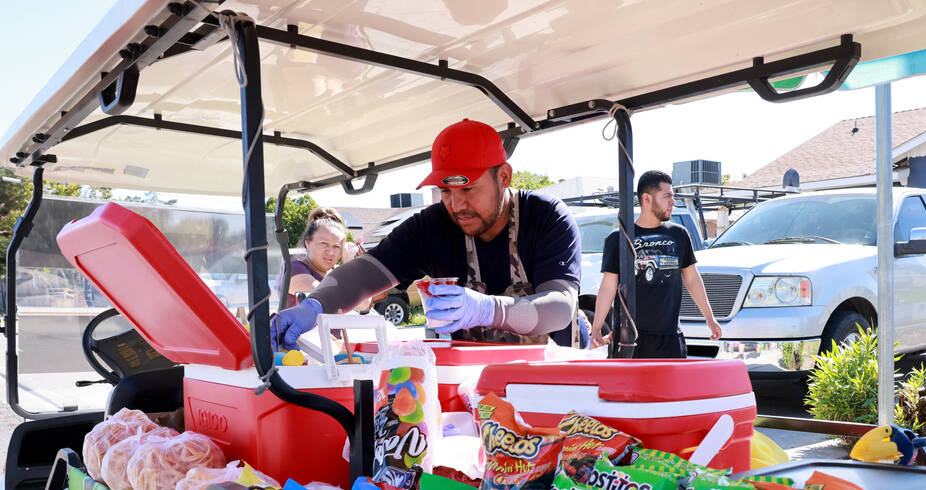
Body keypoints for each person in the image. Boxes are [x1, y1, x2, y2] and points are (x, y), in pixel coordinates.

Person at [271, 118, 583, 349]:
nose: (457, 205)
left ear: (503, 176)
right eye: (445, 191)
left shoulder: (546, 217)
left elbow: (560, 308)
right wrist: (313, 306)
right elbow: (365, 273)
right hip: (473, 384)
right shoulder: (433, 225)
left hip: (548, 384)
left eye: (468, 189)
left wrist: (487, 309)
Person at [590, 170, 721, 358]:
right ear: (647, 199)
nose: (673, 202)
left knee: (672, 388)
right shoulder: (618, 239)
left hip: (670, 339)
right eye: (667, 196)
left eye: (673, 196)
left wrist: (710, 318)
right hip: (628, 339)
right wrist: (596, 328)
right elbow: (608, 286)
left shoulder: (679, 234)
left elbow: (692, 279)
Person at [280, 207, 365, 308]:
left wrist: (350, 265)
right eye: (324, 244)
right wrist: (348, 268)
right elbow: (327, 298)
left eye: (337, 246)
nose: (330, 252)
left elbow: (364, 303)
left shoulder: (338, 271)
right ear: (308, 243)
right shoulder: (294, 268)